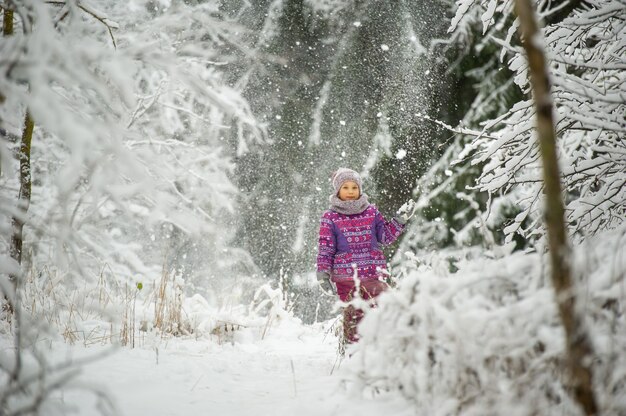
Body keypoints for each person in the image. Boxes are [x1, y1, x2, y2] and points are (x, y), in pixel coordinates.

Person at [316, 168, 416, 344]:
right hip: (346, 277)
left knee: (380, 313)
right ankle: (355, 357)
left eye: (354, 187)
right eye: (345, 187)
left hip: (374, 273)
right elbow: (326, 248)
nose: (350, 192)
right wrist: (323, 273)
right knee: (355, 317)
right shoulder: (330, 217)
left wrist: (399, 220)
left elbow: (385, 237)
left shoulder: (371, 212)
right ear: (337, 190)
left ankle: (379, 353)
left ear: (360, 189)